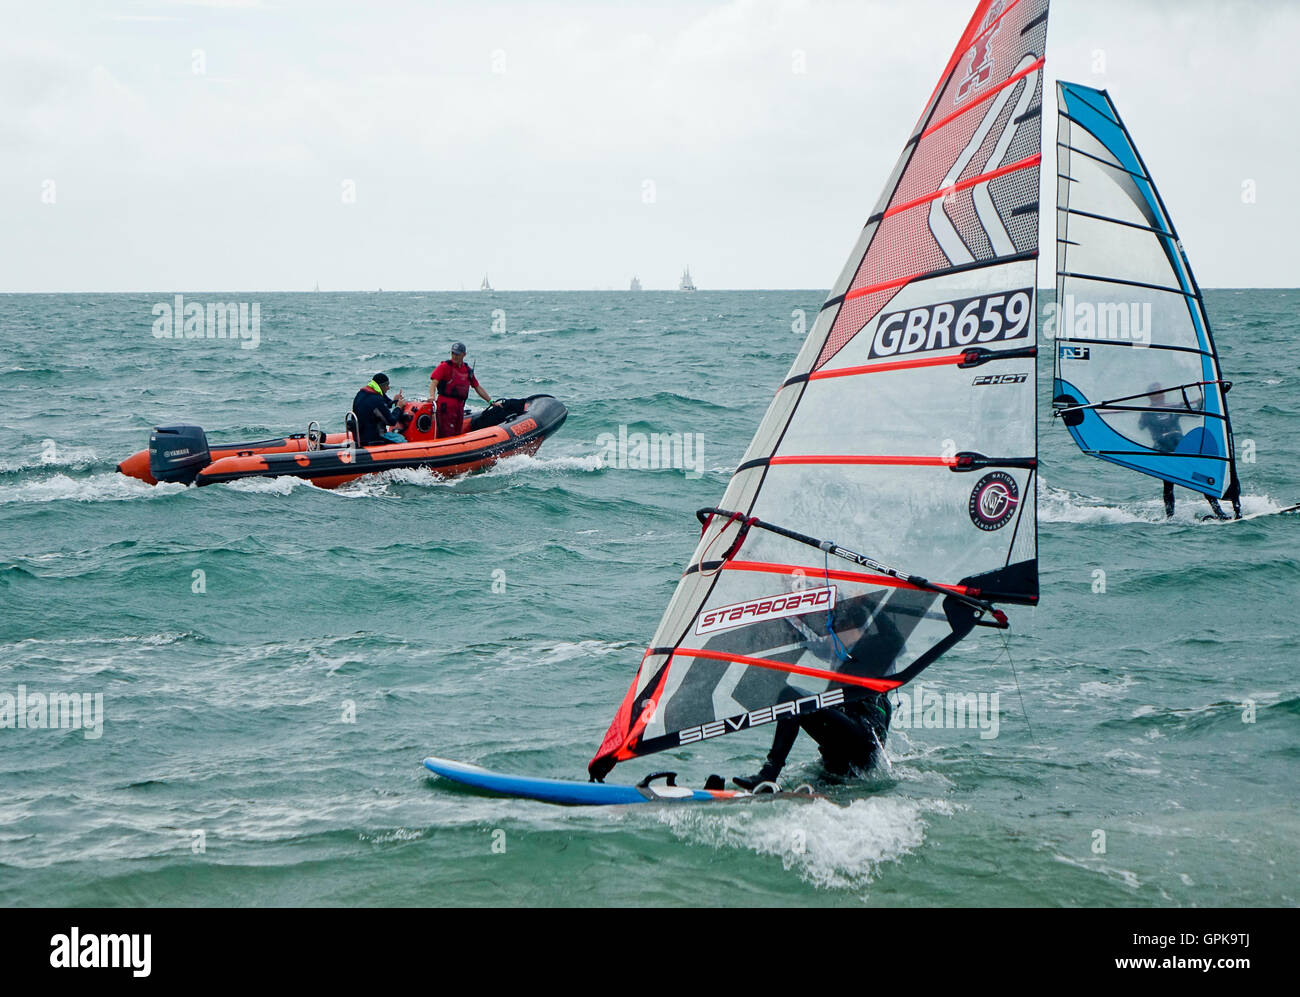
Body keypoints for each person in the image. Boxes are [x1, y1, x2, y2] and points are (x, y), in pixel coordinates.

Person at [733, 691, 892, 790]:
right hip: (841, 742)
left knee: (795, 700)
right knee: (790, 698)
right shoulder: (840, 649)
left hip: (863, 741)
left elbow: (895, 643)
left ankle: (769, 774)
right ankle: (825, 784)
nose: (831, 638)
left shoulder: (875, 646)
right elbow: (818, 647)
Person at [1137, 385, 1237, 520]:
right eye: (1158, 393)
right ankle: (1170, 517)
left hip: (1179, 443)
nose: (1162, 395)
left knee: (1201, 476)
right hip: (1162, 446)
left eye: (1163, 392)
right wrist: (1149, 410)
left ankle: (1219, 512)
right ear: (1150, 396)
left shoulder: (1173, 407)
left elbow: (1195, 412)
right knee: (1168, 484)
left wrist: (1201, 400)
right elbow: (1140, 426)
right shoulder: (1146, 412)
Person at [430, 341, 493, 438]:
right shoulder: (444, 367)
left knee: (457, 433)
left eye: (457, 354)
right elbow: (434, 383)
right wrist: (432, 396)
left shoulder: (467, 370)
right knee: (446, 434)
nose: (454, 356)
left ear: (464, 354)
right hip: (445, 406)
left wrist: (490, 401)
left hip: (459, 407)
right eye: (453, 353)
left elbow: (477, 387)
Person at [351, 372, 407, 445]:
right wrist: (398, 407)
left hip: (359, 436)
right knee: (402, 440)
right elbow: (391, 421)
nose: (388, 388)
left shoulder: (363, 393)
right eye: (387, 385)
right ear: (382, 386)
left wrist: (394, 401)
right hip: (373, 438)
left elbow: (382, 404)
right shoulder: (375, 399)